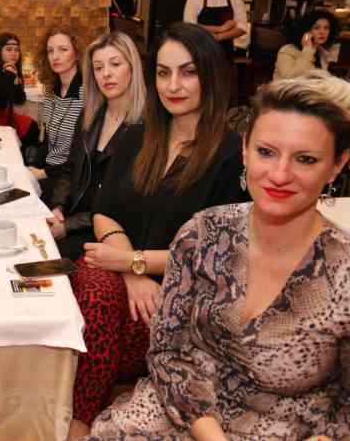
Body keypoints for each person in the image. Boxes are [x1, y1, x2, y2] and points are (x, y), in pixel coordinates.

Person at [89, 69, 350, 439]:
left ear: (337, 164)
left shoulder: (348, 273)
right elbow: (168, 353)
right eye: (266, 152)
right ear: (245, 148)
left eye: (305, 159)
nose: (279, 174)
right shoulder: (202, 234)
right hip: (178, 410)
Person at [67, 22, 247, 439]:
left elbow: (216, 253)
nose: (173, 85)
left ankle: (80, 422)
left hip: (180, 293)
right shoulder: (136, 136)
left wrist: (134, 263)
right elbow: (104, 212)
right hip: (120, 273)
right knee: (94, 290)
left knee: (98, 309)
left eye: (188, 72)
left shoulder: (230, 155)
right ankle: (81, 421)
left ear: (211, 76)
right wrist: (131, 270)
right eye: (164, 73)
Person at [47, 31, 146, 262]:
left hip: (111, 233)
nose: (106, 74)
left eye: (115, 64)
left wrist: (68, 226)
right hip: (74, 217)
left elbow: (123, 204)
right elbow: (70, 168)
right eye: (98, 68)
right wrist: (58, 207)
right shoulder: (90, 115)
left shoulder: (145, 126)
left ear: (133, 68)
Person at [29, 26, 85, 204]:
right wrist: (33, 168)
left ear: (77, 54)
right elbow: (47, 140)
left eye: (63, 49)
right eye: (50, 51)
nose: (55, 56)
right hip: (48, 170)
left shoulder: (86, 94)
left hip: (68, 180)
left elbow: (81, 155)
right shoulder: (51, 90)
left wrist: (44, 173)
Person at [0, 32, 39, 145]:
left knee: (32, 126)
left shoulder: (12, 68)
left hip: (6, 115)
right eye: (9, 49)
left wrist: (15, 80)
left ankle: (23, 153)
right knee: (29, 129)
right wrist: (10, 75)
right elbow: (1, 97)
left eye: (16, 50)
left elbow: (20, 100)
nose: (14, 53)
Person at [274, 9, 341, 80]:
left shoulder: (322, 53)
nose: (322, 32)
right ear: (305, 31)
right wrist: (307, 50)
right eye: (316, 28)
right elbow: (291, 78)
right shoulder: (287, 50)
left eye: (326, 28)